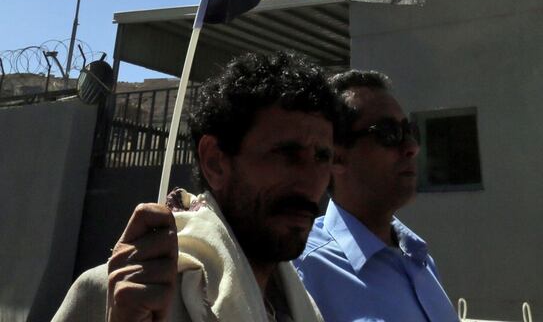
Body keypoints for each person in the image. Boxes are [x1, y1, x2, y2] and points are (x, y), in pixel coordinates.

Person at [53, 51, 338, 322]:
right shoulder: (116, 296)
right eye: (286, 153)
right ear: (215, 161)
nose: (310, 182)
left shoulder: (303, 307)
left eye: (322, 157)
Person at [295, 70, 458, 322]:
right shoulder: (304, 269)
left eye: (409, 131)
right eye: (388, 133)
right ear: (336, 156)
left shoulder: (419, 260)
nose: (412, 147)